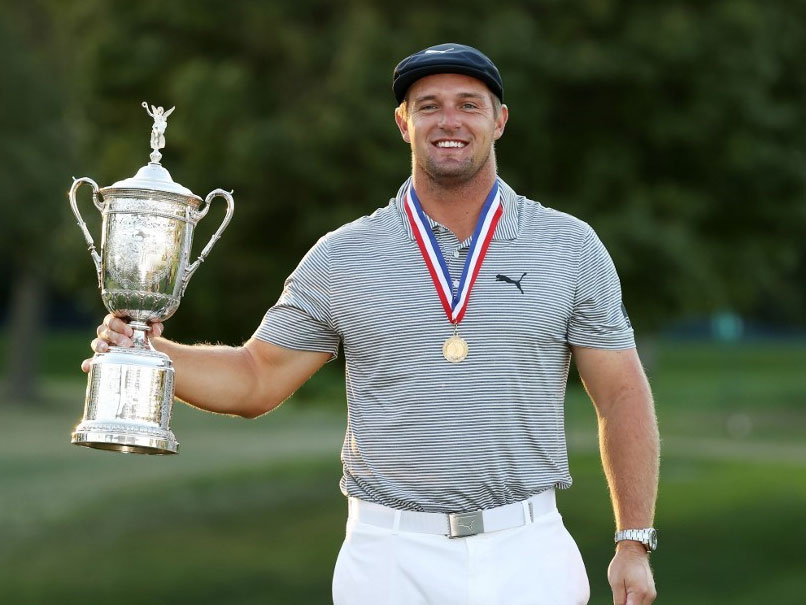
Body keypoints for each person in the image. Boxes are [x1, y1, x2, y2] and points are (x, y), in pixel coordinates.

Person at [86, 43, 659, 605]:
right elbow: (256, 378)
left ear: (499, 120)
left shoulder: (569, 246)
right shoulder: (345, 255)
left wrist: (633, 541)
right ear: (402, 123)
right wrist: (147, 350)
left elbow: (622, 394)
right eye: (428, 105)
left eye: (469, 103)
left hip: (527, 551)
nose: (449, 121)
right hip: (388, 557)